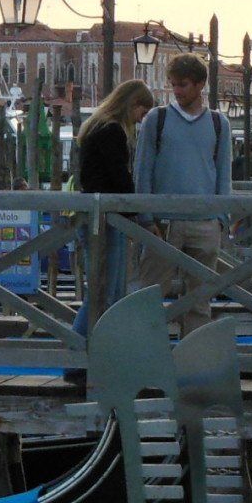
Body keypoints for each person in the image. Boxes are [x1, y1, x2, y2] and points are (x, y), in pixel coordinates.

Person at [133, 54, 232, 335]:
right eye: (174, 85)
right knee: (150, 296)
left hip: (205, 222)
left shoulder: (218, 123)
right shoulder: (157, 118)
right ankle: (147, 356)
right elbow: (143, 169)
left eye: (183, 85)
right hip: (163, 223)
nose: (177, 91)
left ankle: (193, 366)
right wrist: (146, 218)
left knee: (200, 299)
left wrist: (221, 219)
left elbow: (223, 172)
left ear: (200, 85)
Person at [72, 79, 155, 339]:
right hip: (108, 219)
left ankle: (89, 358)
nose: (141, 120)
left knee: (105, 292)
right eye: (142, 112)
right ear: (133, 105)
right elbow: (119, 178)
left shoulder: (95, 127)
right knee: (105, 294)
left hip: (97, 216)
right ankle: (79, 358)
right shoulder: (113, 131)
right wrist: (138, 215)